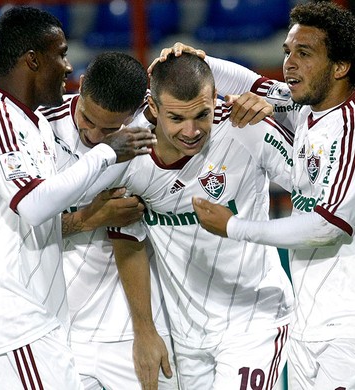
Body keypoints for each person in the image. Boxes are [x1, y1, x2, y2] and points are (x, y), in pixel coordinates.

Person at [185, 2, 355, 389]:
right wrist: (196, 60)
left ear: (339, 67)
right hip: (310, 323)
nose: (289, 63)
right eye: (287, 52)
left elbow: (327, 226)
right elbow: (251, 84)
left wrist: (235, 226)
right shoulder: (306, 105)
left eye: (303, 54)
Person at [0, 6, 156, 389]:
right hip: (17, 321)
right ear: (33, 60)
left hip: (41, 323)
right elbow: (34, 206)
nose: (68, 67)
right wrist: (108, 151)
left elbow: (69, 193)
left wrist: (142, 126)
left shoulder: (34, 126)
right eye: (60, 53)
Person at [106, 52, 296, 389]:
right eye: (177, 118)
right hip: (187, 335)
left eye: (202, 115)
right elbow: (127, 238)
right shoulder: (128, 154)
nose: (191, 131)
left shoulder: (244, 126)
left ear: (215, 98)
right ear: (152, 107)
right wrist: (145, 330)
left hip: (254, 319)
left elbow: (318, 181)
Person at [39, 51, 179, 389]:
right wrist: (87, 219)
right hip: (56, 330)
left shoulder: (155, 134)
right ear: (82, 85)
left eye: (111, 129)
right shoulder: (38, 129)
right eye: (88, 119)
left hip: (130, 329)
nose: (96, 136)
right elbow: (18, 226)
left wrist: (145, 331)